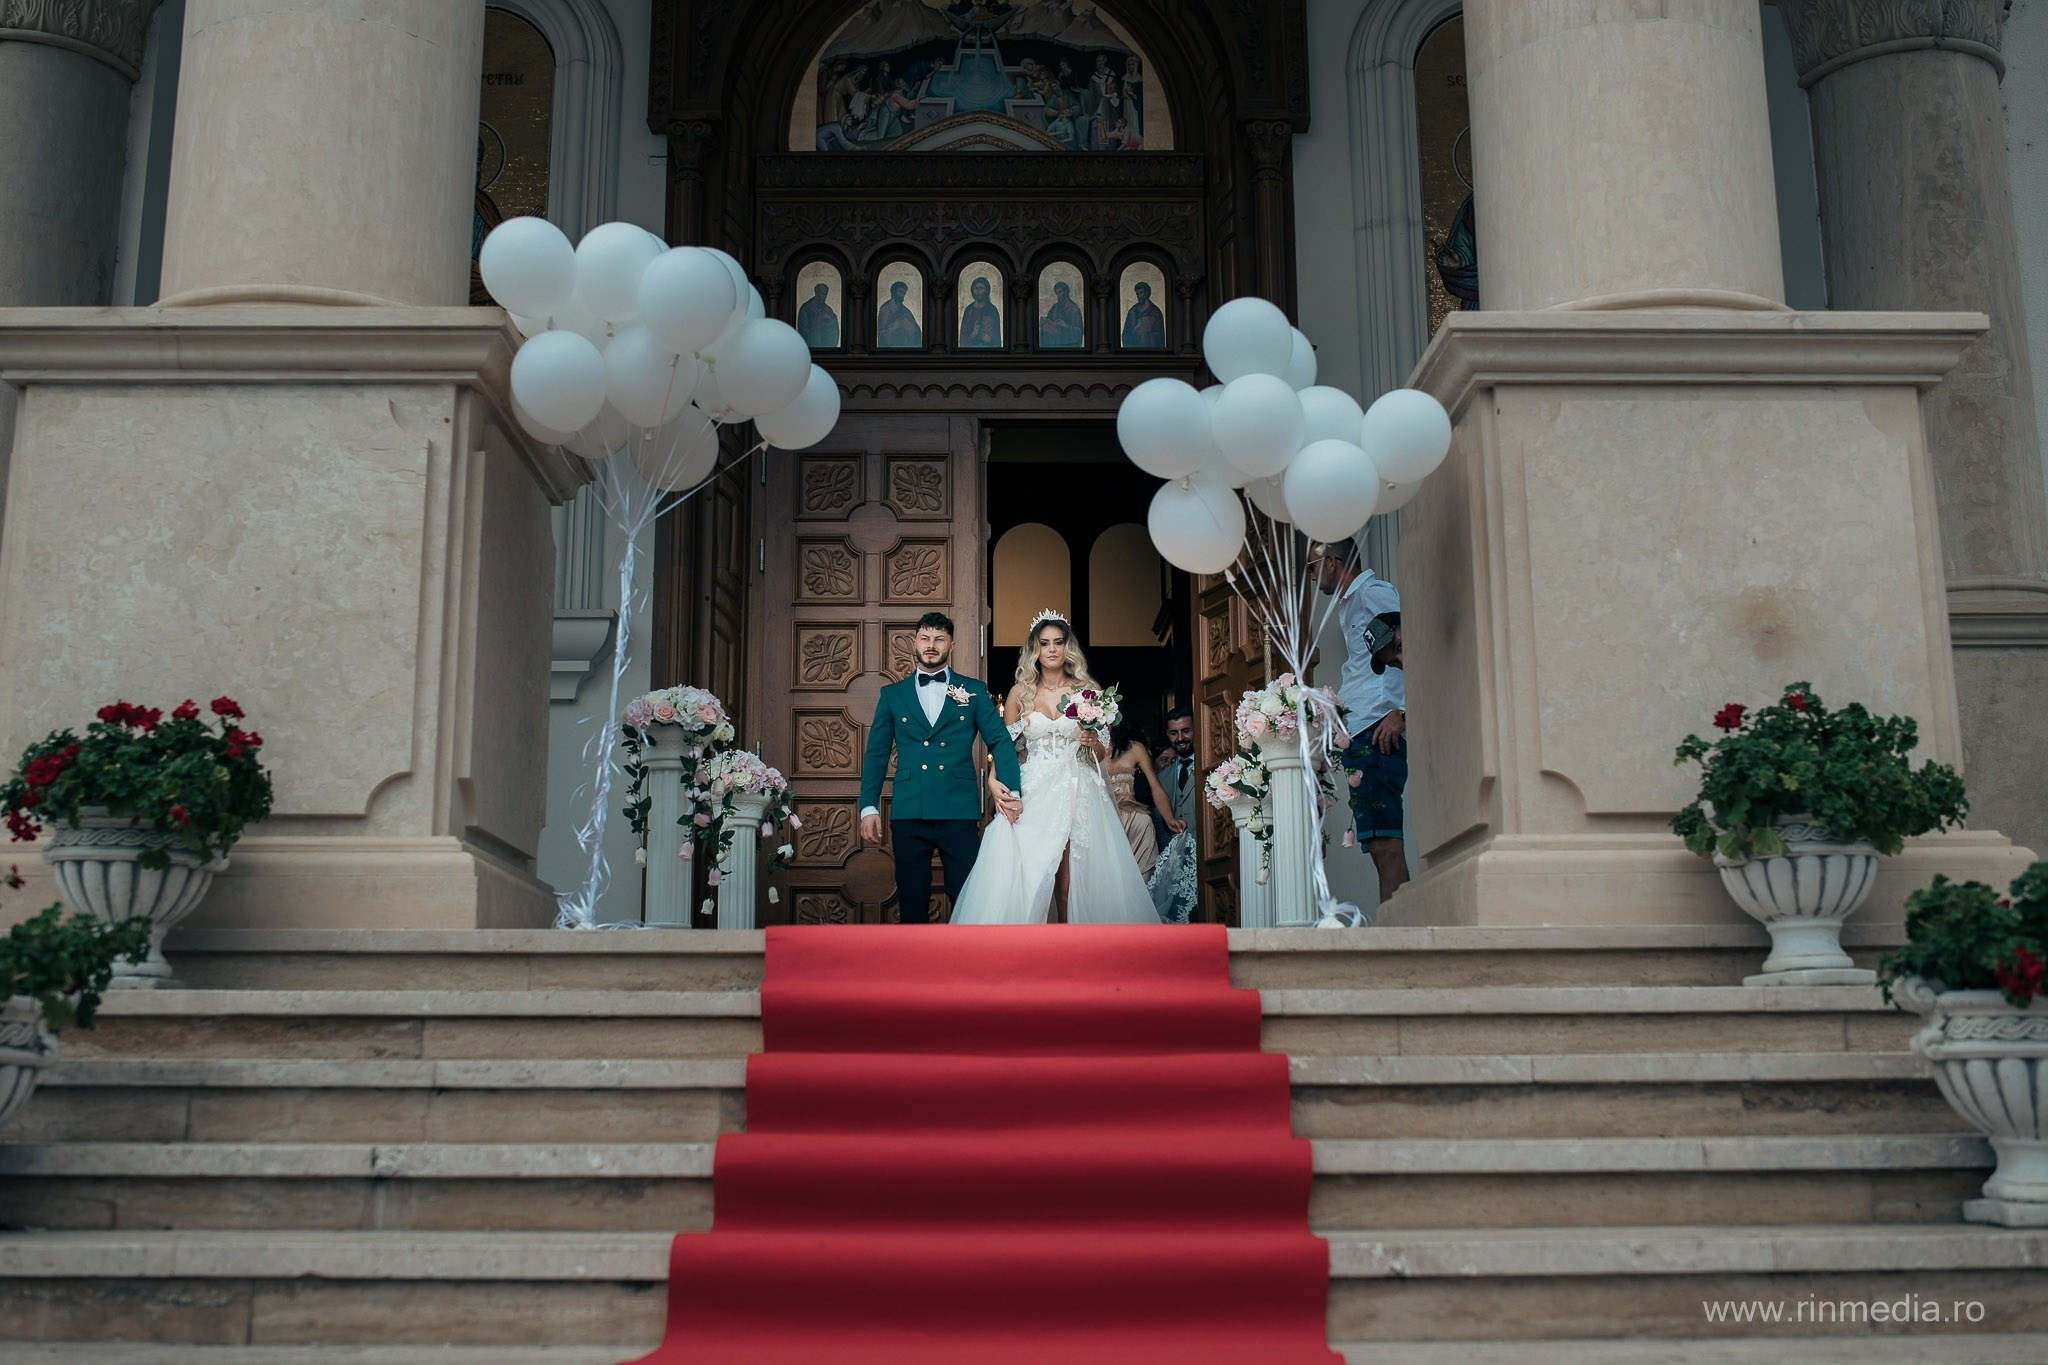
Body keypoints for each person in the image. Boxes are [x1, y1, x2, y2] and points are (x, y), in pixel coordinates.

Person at [949, 610, 1160, 924]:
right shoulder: (1020, 694)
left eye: (1058, 642)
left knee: (1070, 882)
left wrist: (1092, 741)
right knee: (1033, 875)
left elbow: (1104, 754)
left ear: (1067, 647)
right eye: (1044, 643)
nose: (1051, 649)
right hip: (1035, 791)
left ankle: (1073, 949)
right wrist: (994, 781)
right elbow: (1004, 748)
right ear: (1035, 648)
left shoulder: (1087, 691)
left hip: (1079, 789)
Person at [859, 612, 1021, 923]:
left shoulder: (973, 690)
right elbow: (877, 753)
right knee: (912, 898)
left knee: (967, 896)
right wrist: (869, 806)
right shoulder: (892, 695)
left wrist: (1011, 790)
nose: (931, 645)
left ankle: (968, 968)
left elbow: (1000, 741)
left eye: (939, 639)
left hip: (958, 810)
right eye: (925, 638)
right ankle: (917, 971)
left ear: (952, 645)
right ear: (914, 643)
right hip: (909, 811)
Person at [1311, 541, 1407, 903]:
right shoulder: (1349, 602)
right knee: (1375, 840)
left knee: (1385, 841)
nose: (1311, 576)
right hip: (1361, 730)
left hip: (1379, 728)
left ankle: (1400, 936)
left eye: (1312, 567)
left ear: (1333, 563)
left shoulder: (1373, 592)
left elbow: (1404, 643)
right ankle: (1396, 928)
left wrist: (1398, 711)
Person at [1099, 716, 1183, 878]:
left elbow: (1156, 788)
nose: (1102, 724)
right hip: (1102, 825)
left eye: (1105, 718)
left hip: (1136, 824)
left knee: (1142, 888)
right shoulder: (1081, 751)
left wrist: (1170, 819)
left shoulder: (1135, 748)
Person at [959, 275, 1003, 348]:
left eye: (981, 288)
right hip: (970, 350)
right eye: (976, 288)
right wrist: (972, 335)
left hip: (989, 349)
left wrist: (990, 339)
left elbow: (997, 335)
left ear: (986, 290)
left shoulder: (992, 310)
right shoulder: (969, 310)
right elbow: (963, 335)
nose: (978, 291)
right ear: (972, 290)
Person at [876, 279, 922, 348]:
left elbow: (917, 332)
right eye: (900, 292)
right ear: (893, 292)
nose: (902, 296)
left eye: (904, 293)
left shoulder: (905, 311)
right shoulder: (885, 309)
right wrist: (896, 326)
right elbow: (881, 335)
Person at [1121, 279, 1165, 348]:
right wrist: (1135, 333)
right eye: (1137, 294)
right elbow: (1126, 334)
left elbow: (1160, 336)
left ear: (1147, 293)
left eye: (1141, 293)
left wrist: (1146, 333)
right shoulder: (1132, 312)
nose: (1139, 296)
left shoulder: (1155, 312)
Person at [795, 282, 839, 348]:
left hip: (826, 348)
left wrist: (830, 321)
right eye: (821, 293)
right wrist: (815, 327)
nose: (823, 296)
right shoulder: (806, 308)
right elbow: (803, 330)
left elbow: (833, 330)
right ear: (816, 292)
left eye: (825, 294)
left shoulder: (828, 309)